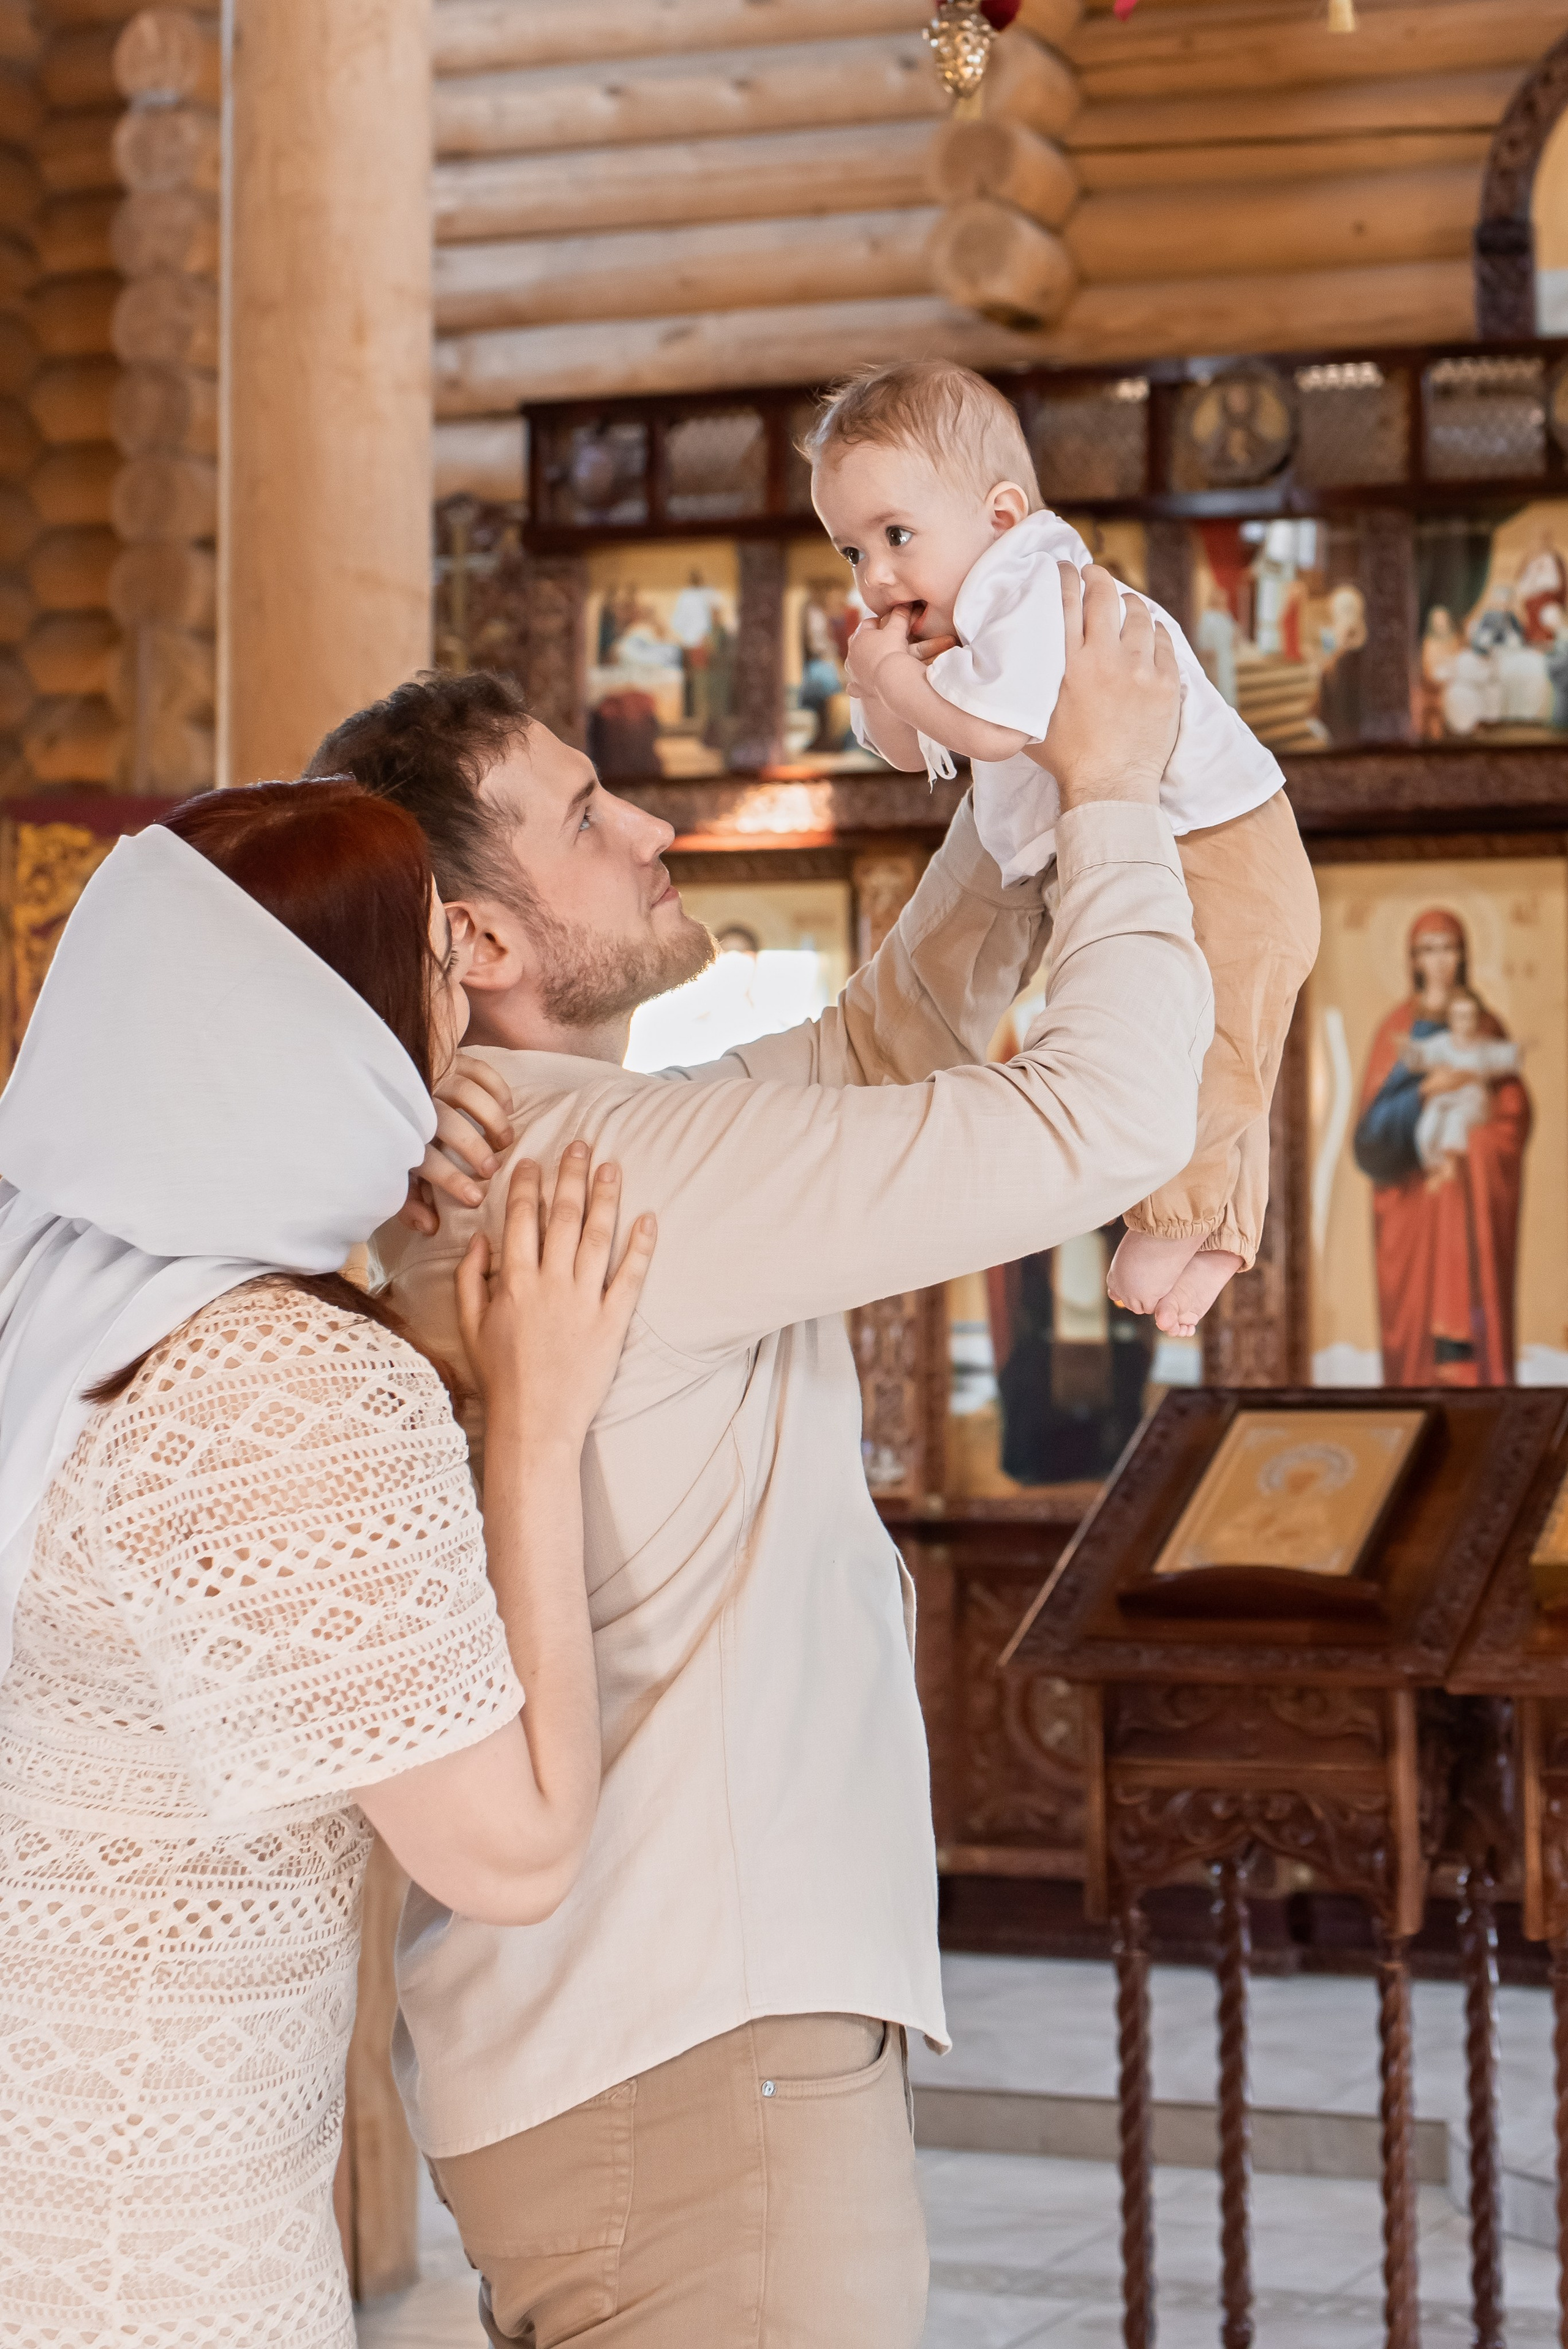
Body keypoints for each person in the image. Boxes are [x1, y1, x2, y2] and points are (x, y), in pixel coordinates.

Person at [311, 565, 1212, 2349]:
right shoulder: (621, 1180)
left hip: (629, 2051)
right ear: (474, 945)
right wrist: (1109, 793)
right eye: (584, 815)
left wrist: (1003, 775)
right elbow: (1105, 1116)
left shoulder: (573, 1150)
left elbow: (877, 1045)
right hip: (694, 2068)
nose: (647, 823)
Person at [0, 778, 654, 2349]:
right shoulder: (283, 1383)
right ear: (342, 1033)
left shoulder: (48, 1271)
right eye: (437, 959)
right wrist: (537, 1423)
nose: (470, 986)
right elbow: (507, 1851)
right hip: (149, 2246)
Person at [810, 359, 1319, 1339]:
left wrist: (891, 674)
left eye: (896, 536)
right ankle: (1215, 1242)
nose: (875, 576)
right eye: (850, 552)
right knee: (1226, 1046)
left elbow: (993, 732)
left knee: (1209, 1044)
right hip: (1154, 847)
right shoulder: (962, 609)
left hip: (1225, 843)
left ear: (1002, 514)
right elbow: (920, 745)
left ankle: (1180, 1222)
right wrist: (878, 684)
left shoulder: (1031, 585)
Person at [1352, 907, 1529, 1386]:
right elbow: (1369, 1136)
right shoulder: (1398, 1029)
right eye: (1428, 949)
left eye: (1448, 948)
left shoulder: (1485, 1025)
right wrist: (1425, 1092)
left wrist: (1475, 1140)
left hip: (1470, 1196)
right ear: (1413, 958)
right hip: (1413, 1204)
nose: (1439, 960)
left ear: (1464, 955)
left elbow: (1513, 1112)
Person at [1399, 987, 1522, 1181]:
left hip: (1471, 1101)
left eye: (1469, 1016)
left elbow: (1504, 1056)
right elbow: (1422, 1055)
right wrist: (1409, 1050)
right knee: (1427, 1127)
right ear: (1451, 1019)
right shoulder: (1442, 1044)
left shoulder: (1483, 1047)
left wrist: (1520, 1050)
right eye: (1460, 1016)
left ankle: (1450, 1166)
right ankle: (1434, 1167)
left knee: (1455, 1123)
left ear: (1477, 1019)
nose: (1465, 1022)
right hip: (1444, 1098)